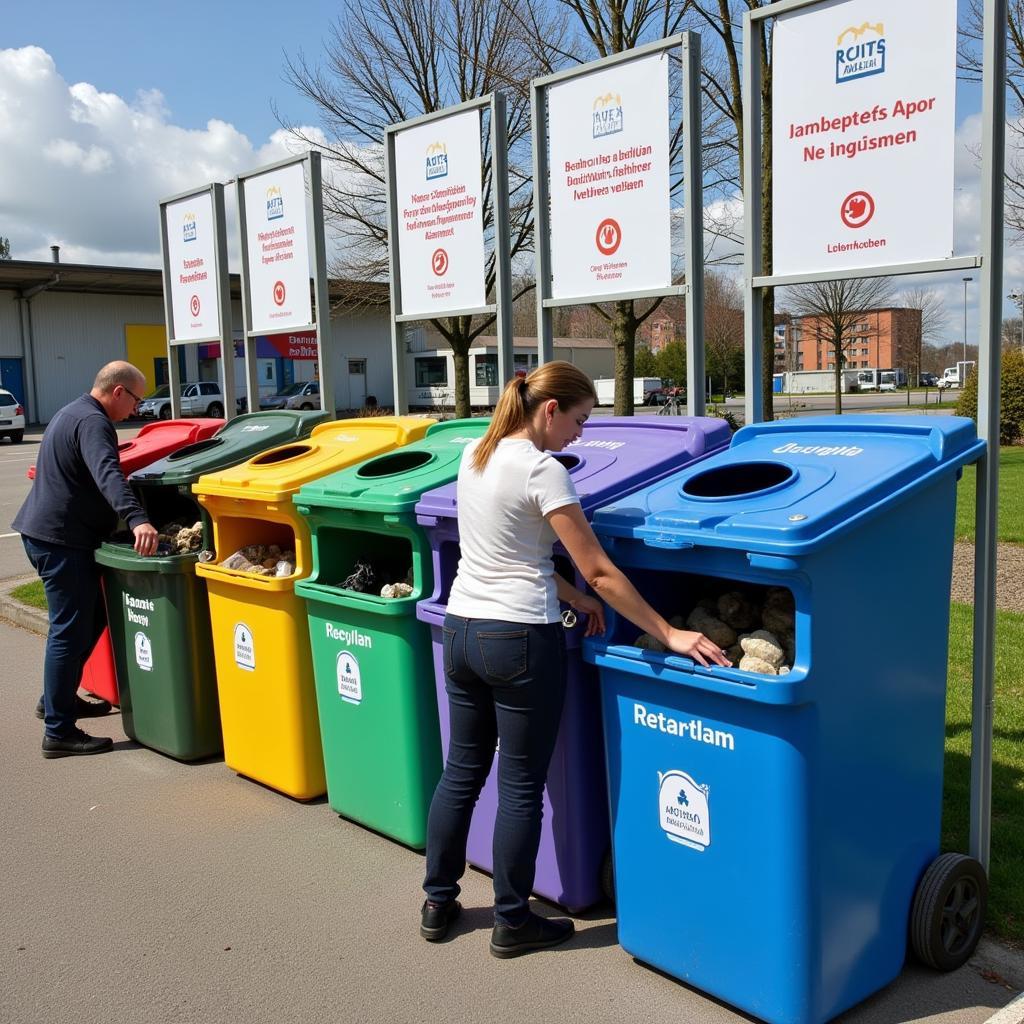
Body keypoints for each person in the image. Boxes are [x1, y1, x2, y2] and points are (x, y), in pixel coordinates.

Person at [420, 361, 731, 958]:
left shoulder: (476, 456)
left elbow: (508, 549)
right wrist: (668, 631)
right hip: (517, 641)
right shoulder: (542, 471)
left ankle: (438, 900)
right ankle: (513, 920)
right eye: (581, 420)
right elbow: (598, 568)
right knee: (519, 784)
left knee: (461, 771)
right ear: (549, 410)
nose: (582, 436)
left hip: (461, 630)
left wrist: (573, 598)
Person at [13, 361, 159, 758]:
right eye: (135, 400)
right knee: (68, 632)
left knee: (91, 618)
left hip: (50, 535)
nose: (136, 410)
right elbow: (107, 472)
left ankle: (55, 701)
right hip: (60, 541)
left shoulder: (70, 411)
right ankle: (59, 731)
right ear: (117, 392)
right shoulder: (94, 423)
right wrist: (137, 519)